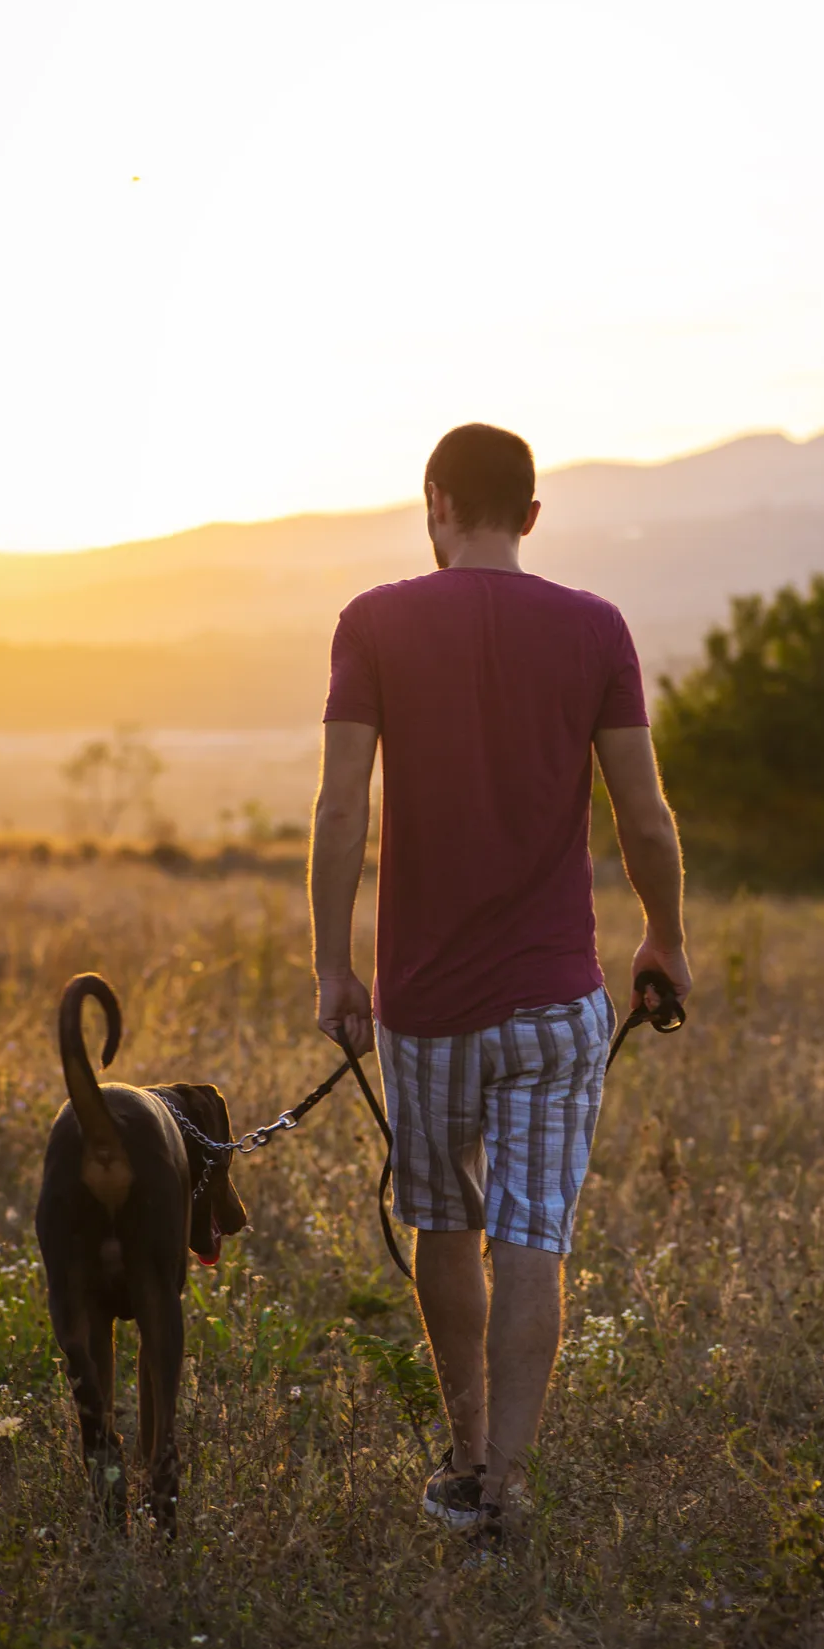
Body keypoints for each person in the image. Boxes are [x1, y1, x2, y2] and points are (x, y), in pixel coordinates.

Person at [308, 421, 691, 1547]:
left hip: (424, 1007)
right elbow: (644, 815)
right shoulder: (594, 628)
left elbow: (339, 810)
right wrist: (662, 936)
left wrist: (334, 964)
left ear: (434, 502)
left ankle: (464, 1452)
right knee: (533, 1234)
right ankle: (502, 1493)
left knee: (444, 1217)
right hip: (555, 1001)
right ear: (530, 515)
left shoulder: (371, 622)